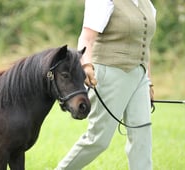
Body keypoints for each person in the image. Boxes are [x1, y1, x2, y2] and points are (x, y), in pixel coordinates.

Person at [55, 0, 156, 169]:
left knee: (142, 136)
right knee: (98, 139)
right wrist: (86, 65)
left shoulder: (146, 3)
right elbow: (87, 38)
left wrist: (149, 82)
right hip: (109, 73)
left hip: (139, 75)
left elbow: (145, 45)